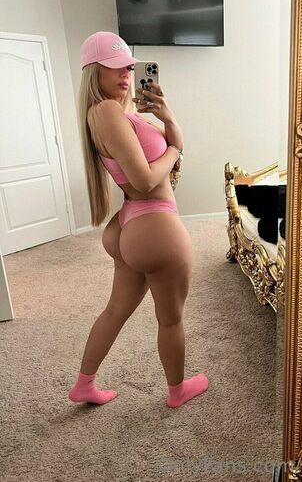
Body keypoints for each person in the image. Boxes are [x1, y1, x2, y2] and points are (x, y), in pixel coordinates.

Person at [68, 31, 208, 408]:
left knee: (116, 310)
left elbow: (177, 141)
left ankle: (84, 384)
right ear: (93, 71)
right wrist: (174, 151)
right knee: (170, 319)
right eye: (115, 67)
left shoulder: (121, 112)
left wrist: (166, 114)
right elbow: (146, 180)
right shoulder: (107, 112)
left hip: (133, 223)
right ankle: (178, 391)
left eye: (129, 67)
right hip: (154, 224)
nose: (126, 74)